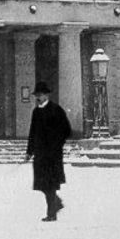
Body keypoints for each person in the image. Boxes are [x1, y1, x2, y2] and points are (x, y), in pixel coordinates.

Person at [25, 82, 72, 222]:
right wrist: (29, 151)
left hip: (52, 155)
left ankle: (52, 213)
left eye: (40, 95)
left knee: (50, 184)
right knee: (42, 184)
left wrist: (56, 144)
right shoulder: (36, 112)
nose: (38, 98)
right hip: (40, 155)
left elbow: (66, 130)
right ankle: (56, 204)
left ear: (47, 95)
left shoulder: (56, 110)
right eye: (36, 95)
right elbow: (32, 133)